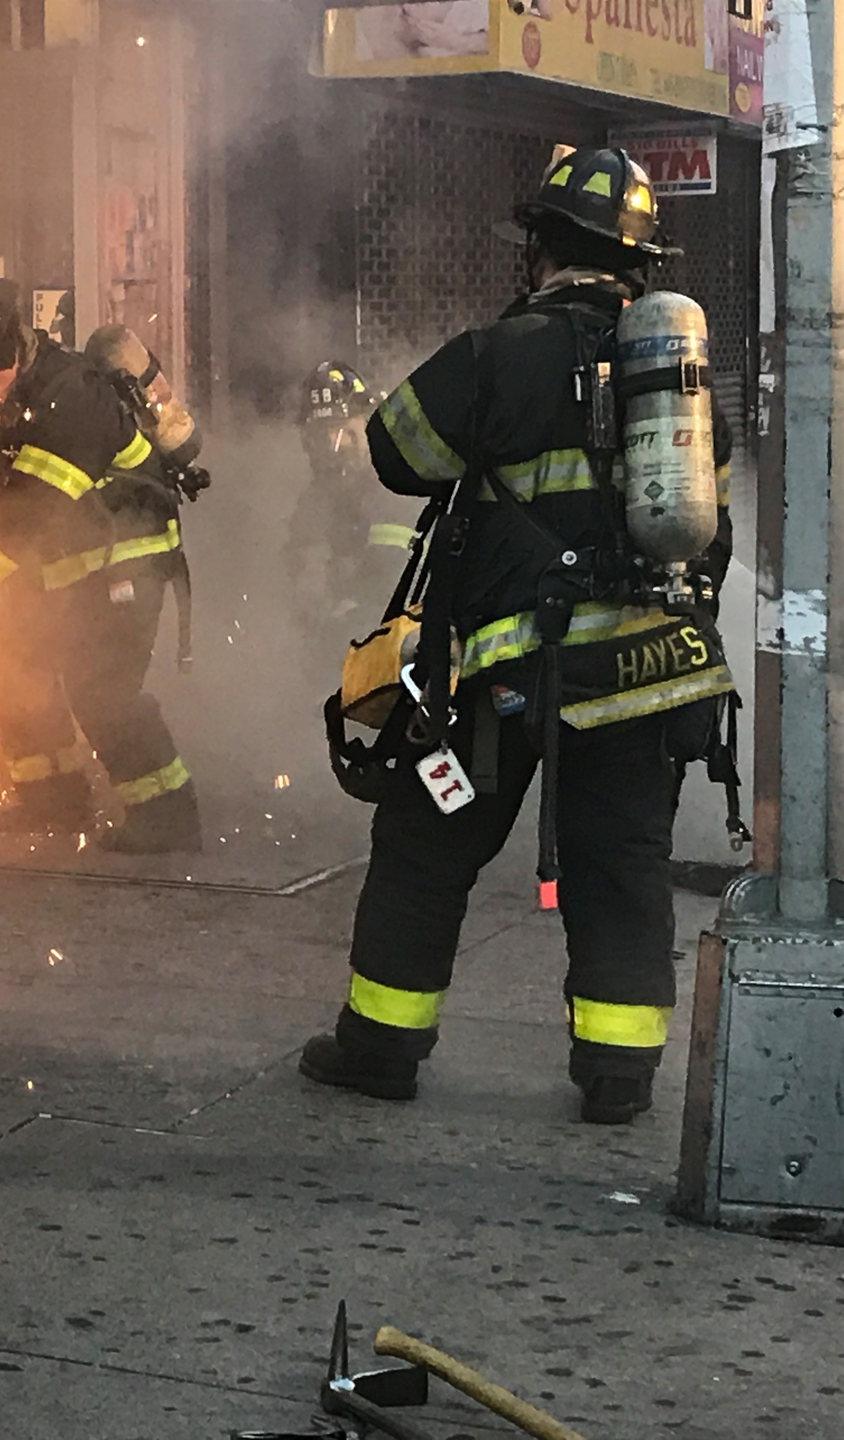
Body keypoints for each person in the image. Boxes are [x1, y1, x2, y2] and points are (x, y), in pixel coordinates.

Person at [299, 147, 736, 1124]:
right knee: (621, 867)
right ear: (640, 264)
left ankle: (381, 1049)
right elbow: (711, 525)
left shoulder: (498, 354)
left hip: (503, 679)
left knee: (424, 843)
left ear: (539, 248)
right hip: (648, 676)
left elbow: (393, 451)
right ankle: (619, 1075)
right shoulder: (678, 378)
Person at [0, 280, 202, 853]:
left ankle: (167, 817)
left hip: (128, 556)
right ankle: (55, 801)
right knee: (10, 664)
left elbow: (36, 515)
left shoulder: (69, 398)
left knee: (102, 688)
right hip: (71, 560)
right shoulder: (19, 394)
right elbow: (11, 508)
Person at [289, 361, 416, 626]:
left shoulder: (394, 488)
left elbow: (393, 583)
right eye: (319, 434)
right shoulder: (311, 506)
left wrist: (346, 618)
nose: (332, 444)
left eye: (341, 429)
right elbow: (301, 587)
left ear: (366, 423)